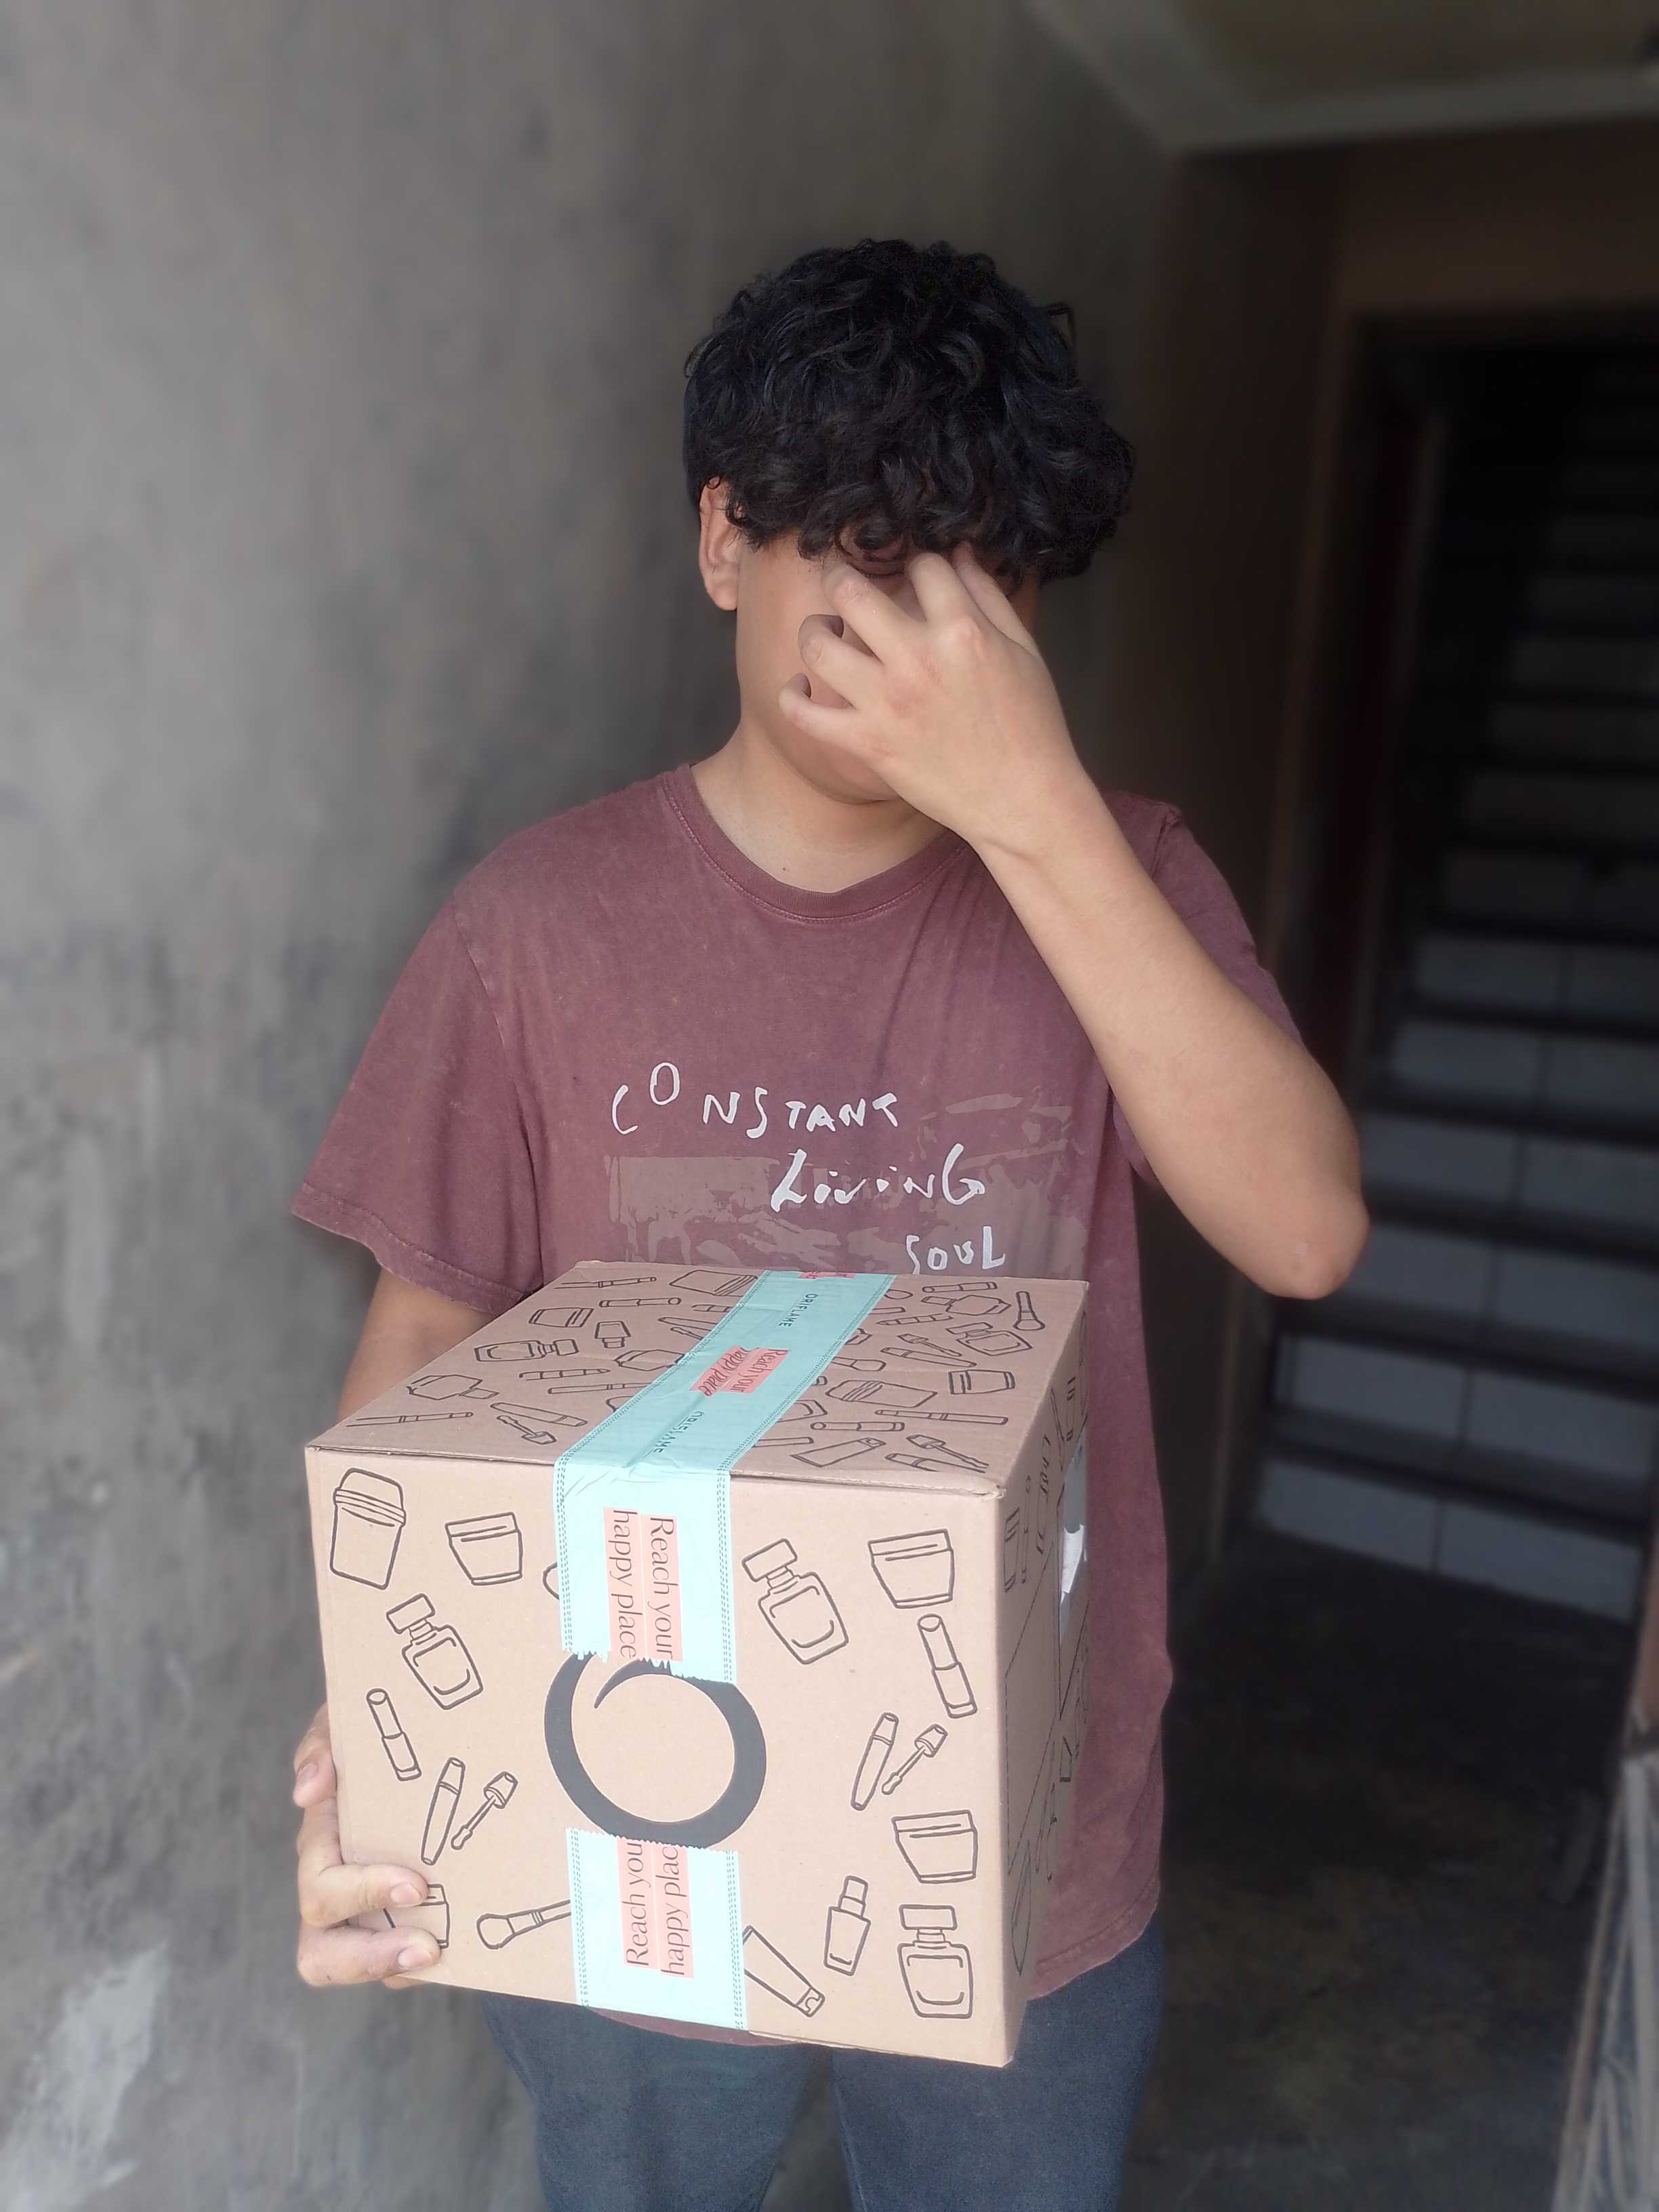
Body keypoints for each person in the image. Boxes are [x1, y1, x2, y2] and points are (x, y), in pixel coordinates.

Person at [287, 237, 1368, 2211]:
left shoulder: (1120, 874)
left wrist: (1030, 806)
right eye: (858, 561)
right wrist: (388, 1699)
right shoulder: (535, 922)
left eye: (974, 590)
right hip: (628, 1807)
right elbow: (429, 1334)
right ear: (726, 542)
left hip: (1026, 1840)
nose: (908, 648)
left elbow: (1305, 1232)